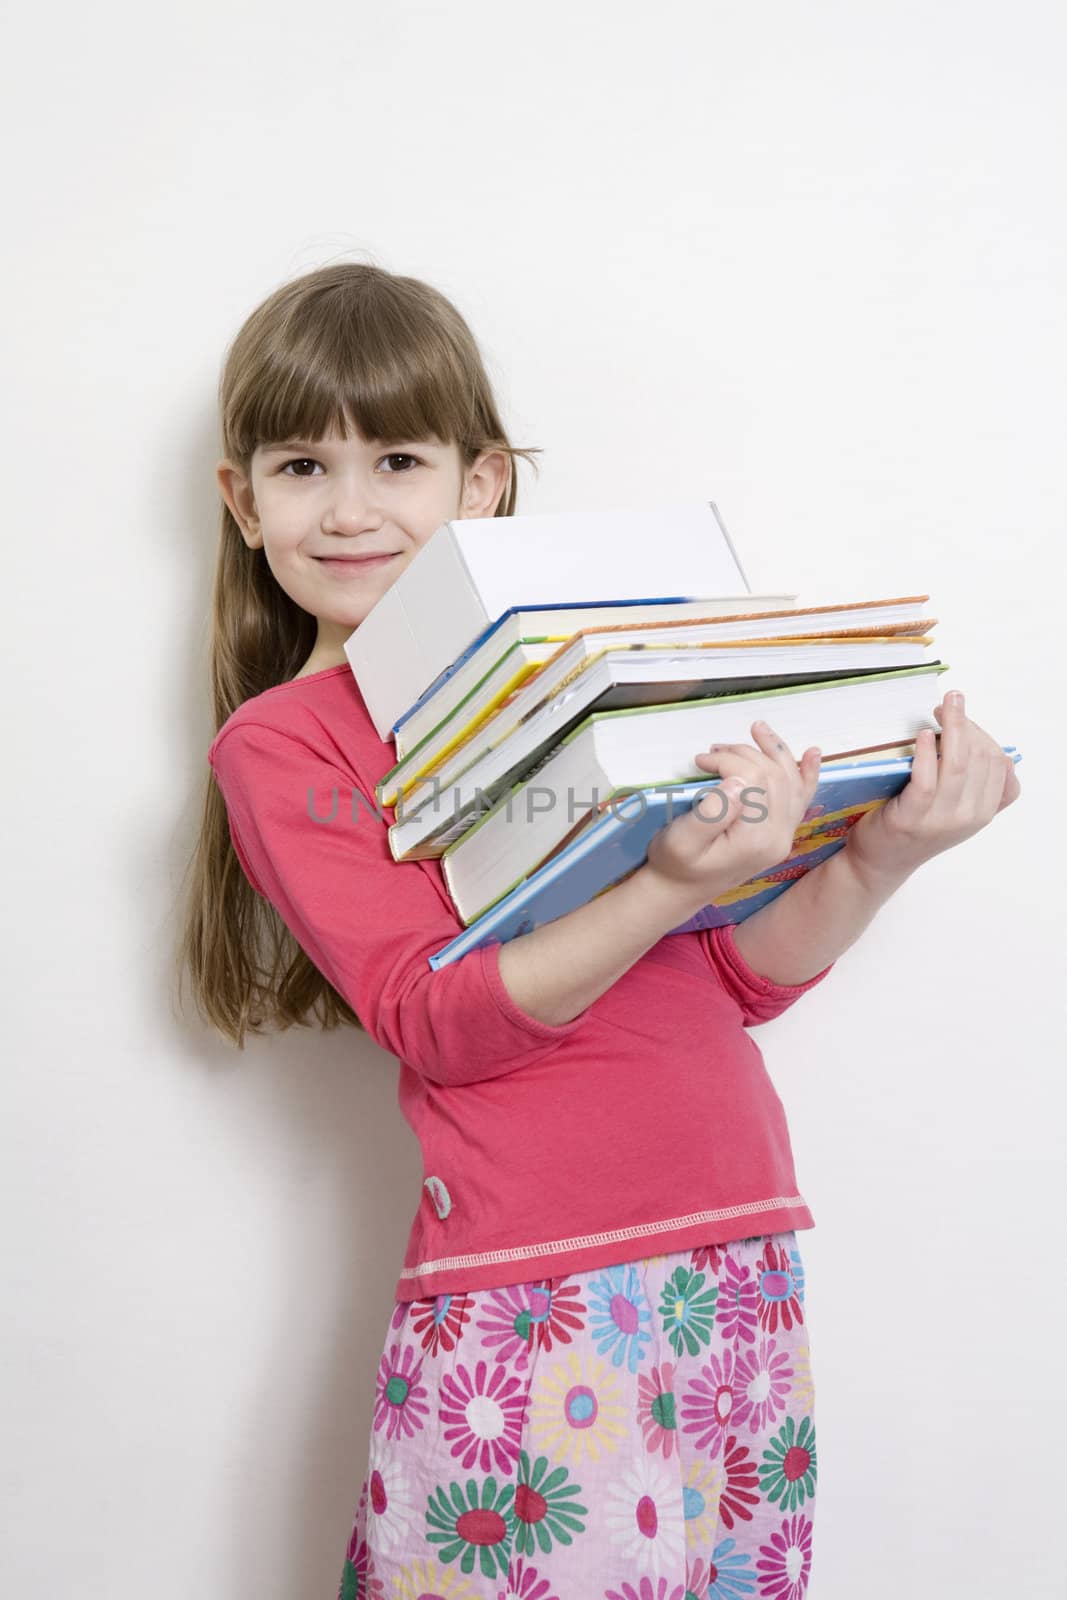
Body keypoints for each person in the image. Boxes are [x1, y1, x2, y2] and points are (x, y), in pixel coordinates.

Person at [174, 261, 1021, 1597]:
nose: (346, 509)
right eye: (298, 466)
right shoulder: (287, 744)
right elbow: (435, 1021)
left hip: (737, 1249)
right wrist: (668, 883)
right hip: (539, 1283)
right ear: (243, 501)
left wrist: (887, 854)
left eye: (396, 458)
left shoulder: (598, 675)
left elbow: (732, 981)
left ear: (483, 482)